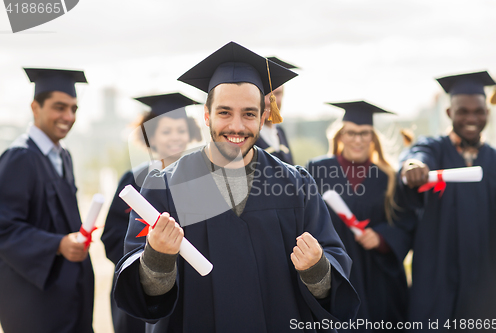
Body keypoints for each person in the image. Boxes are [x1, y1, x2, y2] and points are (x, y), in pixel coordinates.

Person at [113, 41, 360, 333]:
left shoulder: (296, 185)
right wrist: (157, 256)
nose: (237, 126)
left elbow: (333, 269)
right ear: (206, 115)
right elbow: (144, 296)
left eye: (249, 114)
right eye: (224, 112)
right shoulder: (165, 187)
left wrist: (317, 268)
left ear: (264, 116)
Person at [400, 71, 496, 332]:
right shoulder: (434, 149)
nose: (471, 118)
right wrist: (413, 166)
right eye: (462, 111)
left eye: (478, 111)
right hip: (437, 276)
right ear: (448, 113)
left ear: (487, 113)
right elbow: (417, 155)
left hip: (484, 281)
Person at [0, 68, 94, 333]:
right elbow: (4, 228)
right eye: (59, 107)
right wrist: (58, 244)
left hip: (69, 294)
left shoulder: (63, 156)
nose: (69, 117)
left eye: (74, 109)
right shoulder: (20, 158)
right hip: (34, 302)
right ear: (35, 107)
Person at [307, 101, 413, 331]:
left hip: (378, 278)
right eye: (351, 133)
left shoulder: (389, 177)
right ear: (341, 135)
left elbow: (406, 224)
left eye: (364, 133)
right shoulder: (317, 170)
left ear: (373, 138)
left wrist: (382, 238)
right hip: (336, 271)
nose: (358, 139)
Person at [101, 92, 202, 333]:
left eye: (181, 130)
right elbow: (112, 236)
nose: (175, 137)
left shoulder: (199, 180)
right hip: (141, 286)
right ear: (150, 136)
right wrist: (145, 261)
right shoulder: (135, 179)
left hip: (188, 288)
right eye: (166, 131)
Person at [254, 56, 297, 164]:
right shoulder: (248, 136)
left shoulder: (280, 132)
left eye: (277, 94)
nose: (270, 101)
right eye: (264, 94)